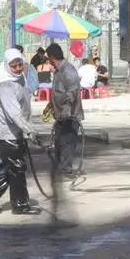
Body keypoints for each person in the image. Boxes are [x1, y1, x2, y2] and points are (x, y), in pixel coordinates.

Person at [0, 48, 40, 215]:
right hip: (7, 133)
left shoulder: (19, 80)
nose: (18, 69)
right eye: (14, 66)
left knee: (10, 165)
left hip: (16, 132)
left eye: (20, 65)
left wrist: (27, 129)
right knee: (17, 166)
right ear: (6, 66)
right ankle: (20, 205)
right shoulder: (5, 86)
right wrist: (30, 131)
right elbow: (14, 114)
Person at [46, 43, 83, 175]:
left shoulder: (68, 70)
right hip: (60, 116)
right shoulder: (58, 71)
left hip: (70, 116)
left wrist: (67, 107)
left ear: (52, 57)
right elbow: (58, 91)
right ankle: (60, 168)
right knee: (59, 143)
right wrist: (51, 104)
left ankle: (66, 170)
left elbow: (72, 89)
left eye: (48, 58)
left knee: (67, 144)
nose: (48, 62)